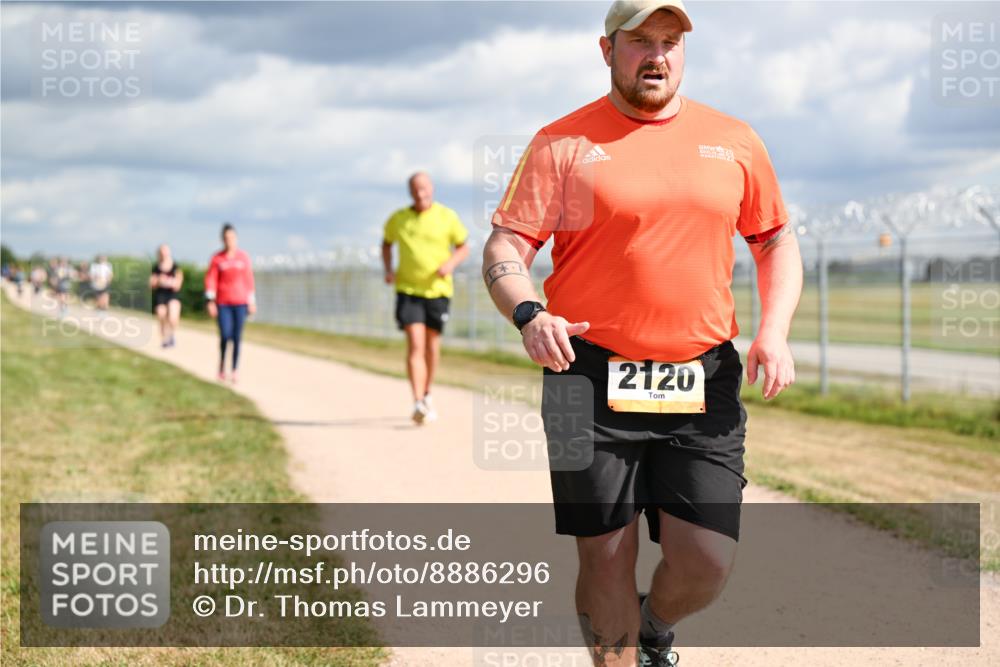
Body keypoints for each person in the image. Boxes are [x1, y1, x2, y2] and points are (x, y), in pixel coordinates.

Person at [482, 1, 803, 665]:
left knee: (708, 560)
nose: (656, 55)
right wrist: (528, 312)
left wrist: (775, 329)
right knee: (603, 552)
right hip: (581, 376)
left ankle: (653, 625)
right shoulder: (561, 144)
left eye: (670, 41)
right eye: (639, 42)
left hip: (702, 374)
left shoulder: (734, 140)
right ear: (607, 51)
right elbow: (505, 246)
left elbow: (775, 240)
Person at [382, 172, 469, 424]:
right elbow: (386, 244)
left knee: (431, 346)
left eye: (424, 189)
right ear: (410, 191)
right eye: (415, 190)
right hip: (408, 290)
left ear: (431, 189)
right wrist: (388, 269)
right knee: (415, 345)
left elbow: (463, 246)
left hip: (438, 291)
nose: (420, 194)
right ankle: (418, 401)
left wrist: (450, 263)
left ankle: (428, 391)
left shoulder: (447, 216)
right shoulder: (398, 219)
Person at [205, 223, 256, 383]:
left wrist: (251, 301)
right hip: (223, 303)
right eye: (227, 238)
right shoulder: (217, 258)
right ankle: (221, 365)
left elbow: (249, 279)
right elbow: (211, 279)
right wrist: (210, 301)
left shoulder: (243, 257)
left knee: (236, 337)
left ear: (236, 238)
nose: (230, 241)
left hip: (240, 302)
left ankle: (234, 369)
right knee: (225, 335)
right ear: (223, 239)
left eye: (232, 238)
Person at [150, 245, 184, 348]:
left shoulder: (175, 267)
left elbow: (178, 284)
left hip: (172, 295)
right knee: (161, 314)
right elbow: (151, 284)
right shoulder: (156, 268)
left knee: (173, 317)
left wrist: (170, 282)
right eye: (162, 251)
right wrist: (158, 280)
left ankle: (172, 335)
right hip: (160, 295)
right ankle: (165, 337)